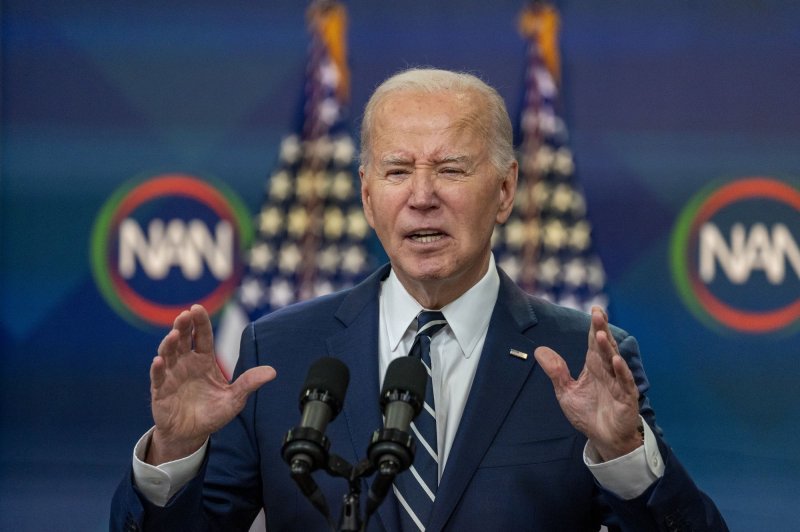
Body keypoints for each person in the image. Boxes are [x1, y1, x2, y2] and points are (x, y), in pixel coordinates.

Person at [111, 68, 728, 531]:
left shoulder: (583, 359)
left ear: (506, 190)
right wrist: (176, 453)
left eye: (452, 170)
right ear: (367, 195)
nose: (422, 196)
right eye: (398, 170)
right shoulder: (278, 351)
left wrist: (623, 454)